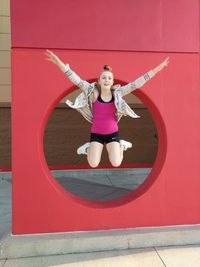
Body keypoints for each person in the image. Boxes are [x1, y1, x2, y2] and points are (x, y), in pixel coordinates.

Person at [45, 50, 169, 168]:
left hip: (112, 134)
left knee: (116, 163)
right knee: (93, 163)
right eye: (104, 78)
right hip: (96, 134)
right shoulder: (92, 92)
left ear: (112, 81)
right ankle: (88, 148)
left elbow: (137, 83)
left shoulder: (117, 93)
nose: (106, 80)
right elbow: (75, 79)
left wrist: (158, 68)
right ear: (99, 81)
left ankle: (121, 146)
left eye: (109, 78)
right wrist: (59, 63)